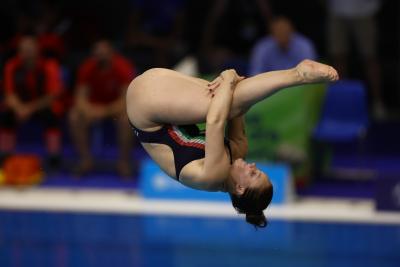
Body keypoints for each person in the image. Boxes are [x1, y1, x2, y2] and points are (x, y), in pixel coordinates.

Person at [126, 59, 339, 227]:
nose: (254, 166)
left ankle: (298, 75)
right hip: (157, 89)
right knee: (232, 97)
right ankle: (296, 74)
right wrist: (232, 81)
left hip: (145, 107)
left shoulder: (211, 176)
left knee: (228, 98)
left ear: (239, 187)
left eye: (254, 175)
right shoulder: (239, 150)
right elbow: (238, 107)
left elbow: (215, 120)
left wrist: (228, 78)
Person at [69, 40, 136, 177]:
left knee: (127, 120)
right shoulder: (87, 67)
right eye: (98, 53)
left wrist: (104, 111)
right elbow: (80, 98)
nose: (101, 56)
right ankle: (85, 160)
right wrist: (89, 110)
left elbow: (126, 99)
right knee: (74, 116)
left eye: (104, 53)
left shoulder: (122, 67)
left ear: (112, 53)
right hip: (92, 109)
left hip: (115, 110)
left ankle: (123, 162)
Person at [0, 36, 64, 168]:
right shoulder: (11, 66)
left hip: (42, 106)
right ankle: (4, 155)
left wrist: (29, 109)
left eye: (30, 50)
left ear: (37, 50)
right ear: (19, 52)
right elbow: (9, 93)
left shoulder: (49, 66)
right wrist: (19, 108)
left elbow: (52, 95)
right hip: (19, 107)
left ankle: (54, 157)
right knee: (6, 115)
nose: (27, 53)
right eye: (23, 50)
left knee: (52, 117)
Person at [326, 0, 384, 118]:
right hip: (337, 10)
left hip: (364, 11)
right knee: (338, 59)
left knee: (370, 58)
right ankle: (342, 103)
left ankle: (378, 102)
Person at [249, 16, 317, 75]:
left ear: (292, 30)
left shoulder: (304, 46)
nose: (282, 34)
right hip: (272, 87)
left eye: (285, 31)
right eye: (278, 32)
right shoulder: (262, 48)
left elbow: (312, 73)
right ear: (272, 33)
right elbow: (255, 74)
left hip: (299, 87)